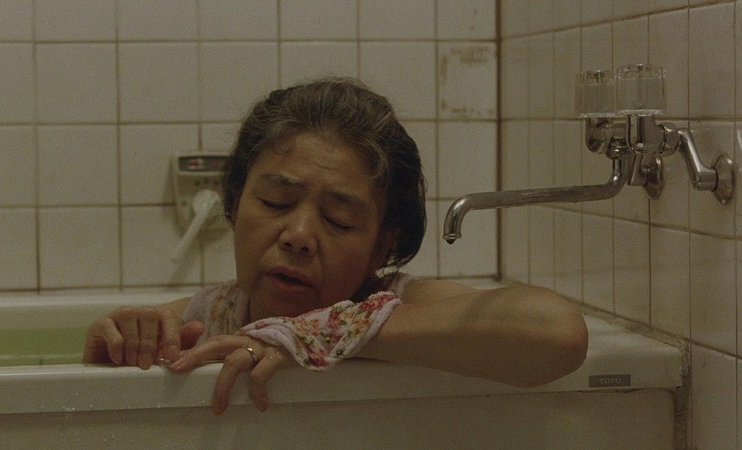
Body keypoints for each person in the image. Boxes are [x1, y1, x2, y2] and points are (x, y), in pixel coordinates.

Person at [83, 77, 588, 415]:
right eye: (276, 202)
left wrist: (314, 334)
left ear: (381, 247)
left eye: (339, 220)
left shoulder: (396, 302)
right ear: (234, 205)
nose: (299, 236)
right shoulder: (210, 317)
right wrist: (116, 346)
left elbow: (556, 332)